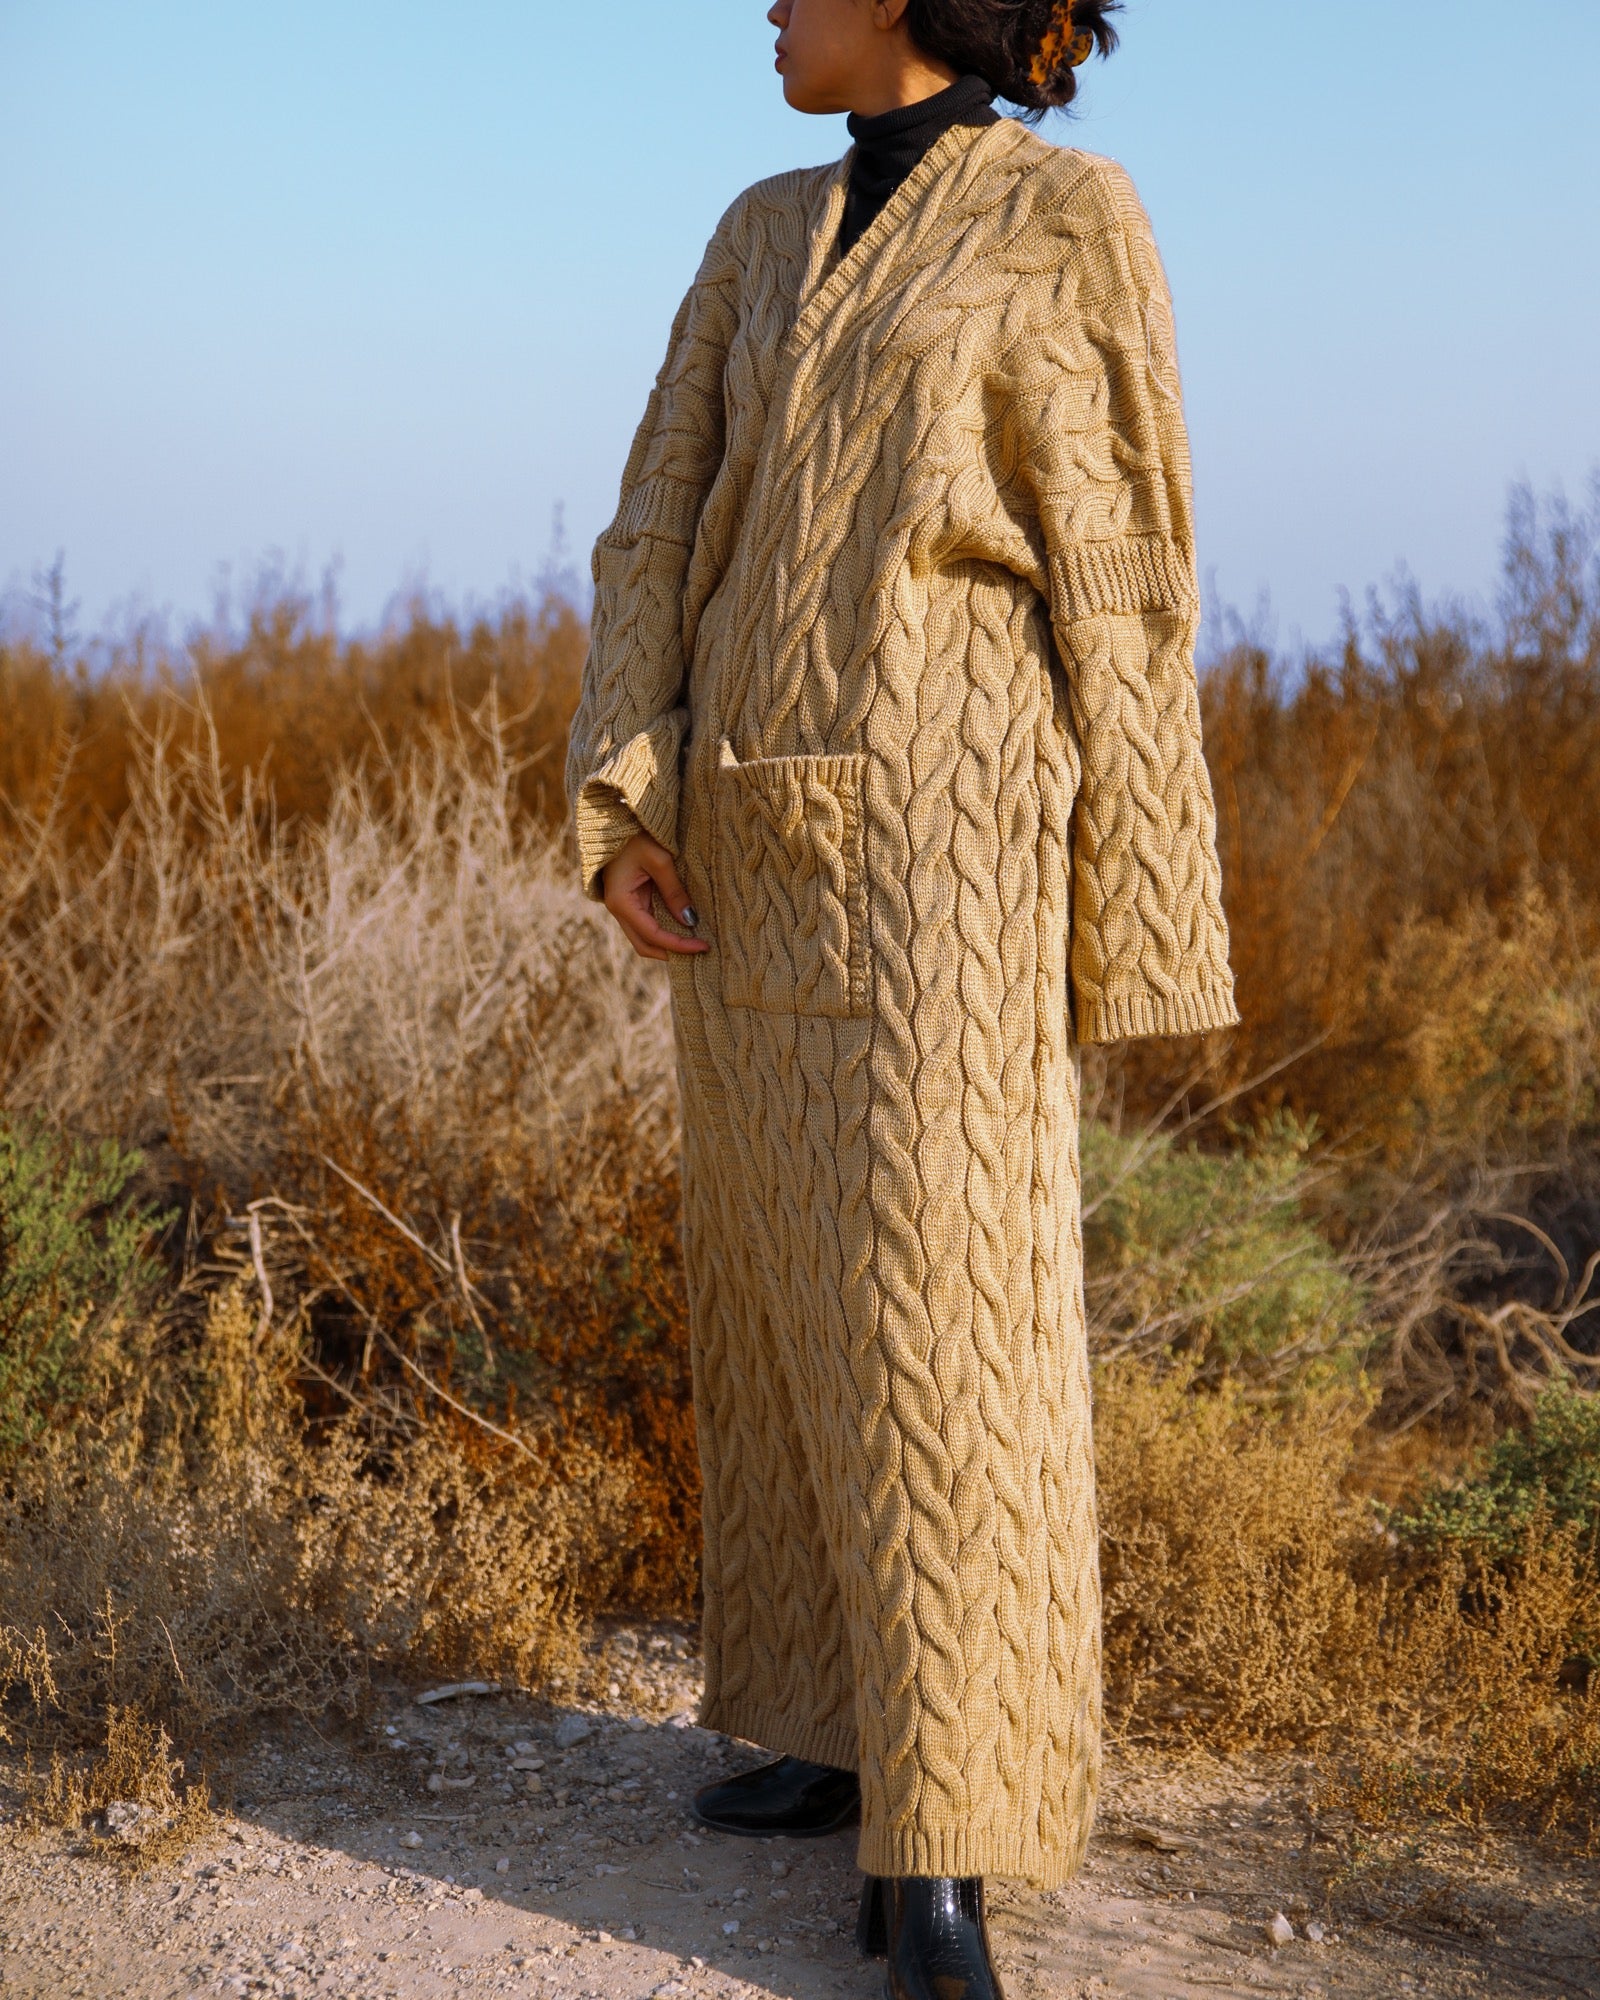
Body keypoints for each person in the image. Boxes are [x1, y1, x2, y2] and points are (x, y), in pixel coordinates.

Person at [564, 2, 1240, 1994]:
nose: (760, 6)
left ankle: (941, 1834)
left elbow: (1122, 568)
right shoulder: (756, 229)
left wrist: (1137, 907)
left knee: (941, 1329)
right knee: (775, 1295)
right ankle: (824, 1717)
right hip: (743, 857)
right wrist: (623, 800)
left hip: (951, 844)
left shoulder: (1061, 216)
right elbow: (651, 525)